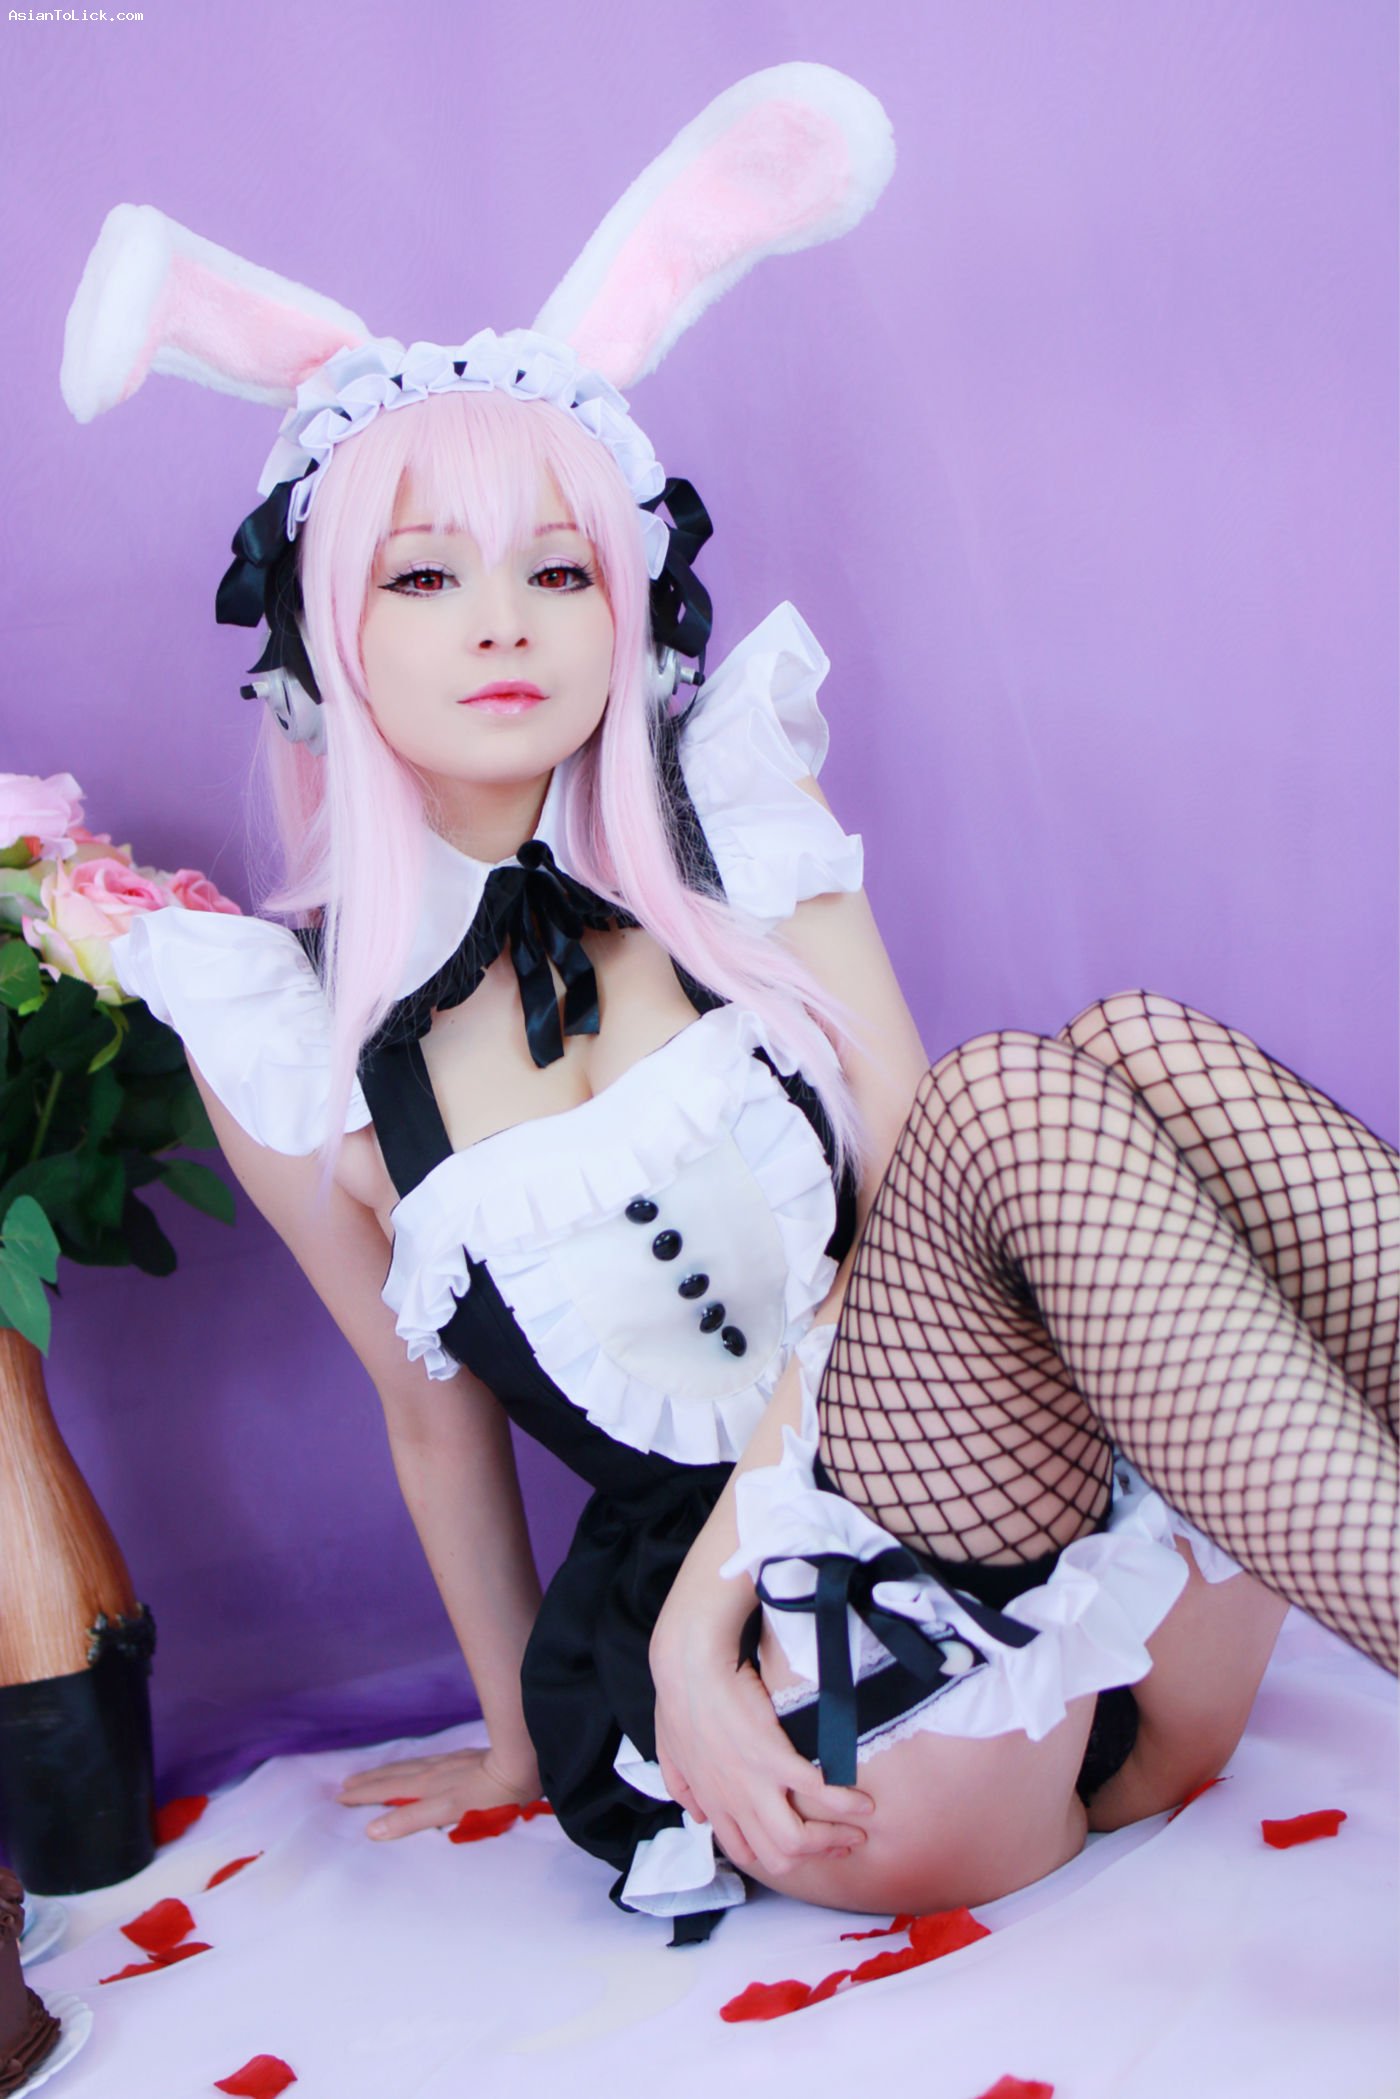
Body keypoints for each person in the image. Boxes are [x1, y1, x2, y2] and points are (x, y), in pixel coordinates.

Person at [64, 68, 1397, 1936]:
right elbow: (428, 1419)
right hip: (816, 1697)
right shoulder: (296, 1038)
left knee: (1114, 1061)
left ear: (630, 602)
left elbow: (933, 1222)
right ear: (325, 636)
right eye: (425, 575)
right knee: (1019, 1092)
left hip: (1085, 1564)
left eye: (559, 567)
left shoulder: (735, 833)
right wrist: (571, 1711)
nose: (506, 620)